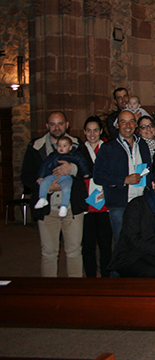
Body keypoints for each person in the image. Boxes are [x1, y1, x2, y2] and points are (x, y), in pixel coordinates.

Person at [21, 111, 87, 277]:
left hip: (72, 207)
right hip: (48, 208)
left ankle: (75, 291)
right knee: (49, 252)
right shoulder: (36, 147)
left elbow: (89, 170)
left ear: (67, 125)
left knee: (74, 251)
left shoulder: (78, 144)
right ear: (47, 126)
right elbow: (26, 176)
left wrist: (72, 169)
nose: (56, 128)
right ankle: (49, 290)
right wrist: (47, 187)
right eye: (52, 124)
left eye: (60, 124)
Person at [93, 110, 153, 245]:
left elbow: (149, 169)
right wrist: (124, 180)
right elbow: (98, 176)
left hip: (141, 203)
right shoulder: (108, 147)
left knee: (141, 242)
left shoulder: (142, 144)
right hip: (119, 203)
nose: (128, 125)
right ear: (117, 125)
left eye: (131, 121)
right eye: (123, 121)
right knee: (122, 243)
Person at [108, 169, 155, 278]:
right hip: (130, 255)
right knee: (153, 271)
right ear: (153, 185)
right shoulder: (137, 205)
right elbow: (131, 241)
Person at [80, 116, 112, 278]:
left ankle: (106, 278)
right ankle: (91, 277)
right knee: (88, 245)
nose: (92, 134)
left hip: (105, 203)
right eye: (89, 130)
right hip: (86, 204)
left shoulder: (108, 149)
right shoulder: (79, 150)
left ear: (100, 131)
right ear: (85, 132)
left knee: (106, 245)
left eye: (95, 130)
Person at [35, 136, 91, 218]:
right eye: (59, 146)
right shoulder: (52, 155)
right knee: (43, 183)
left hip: (67, 177)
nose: (61, 148)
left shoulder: (75, 155)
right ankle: (42, 199)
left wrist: (85, 172)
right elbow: (44, 166)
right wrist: (41, 176)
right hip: (53, 175)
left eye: (64, 146)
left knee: (66, 189)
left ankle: (64, 206)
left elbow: (83, 163)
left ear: (70, 147)